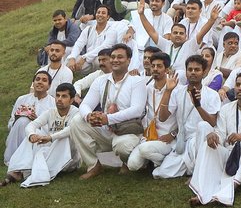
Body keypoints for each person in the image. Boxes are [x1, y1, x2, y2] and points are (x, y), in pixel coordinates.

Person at [189, 73, 241, 206]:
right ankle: (202, 192)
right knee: (209, 144)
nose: (240, 88)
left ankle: (232, 187)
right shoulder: (226, 109)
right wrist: (214, 136)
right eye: (238, 85)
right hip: (230, 154)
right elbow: (221, 133)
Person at [69, 44, 147, 179]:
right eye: (113, 57)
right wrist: (89, 116)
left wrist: (108, 119)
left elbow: (137, 110)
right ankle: (93, 165)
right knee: (77, 121)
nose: (115, 60)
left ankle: (126, 162)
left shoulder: (137, 81)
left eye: (120, 57)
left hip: (128, 129)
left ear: (129, 60)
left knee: (122, 146)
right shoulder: (101, 80)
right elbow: (86, 104)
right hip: (106, 128)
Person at [152, 54, 221, 178]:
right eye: (190, 70)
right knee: (162, 173)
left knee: (203, 126)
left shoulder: (212, 94)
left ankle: (198, 171)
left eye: (197, 70)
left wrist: (198, 105)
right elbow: (162, 118)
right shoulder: (178, 91)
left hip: (202, 141)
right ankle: (193, 167)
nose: (193, 73)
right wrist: (167, 91)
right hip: (182, 141)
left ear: (204, 72)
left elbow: (212, 123)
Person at [3, 83, 79, 188]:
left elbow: (70, 130)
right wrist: (32, 135)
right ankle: (17, 171)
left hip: (68, 158)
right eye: (57, 95)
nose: (59, 99)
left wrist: (50, 137)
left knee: (63, 138)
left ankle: (34, 172)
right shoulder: (50, 112)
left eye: (64, 96)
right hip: (51, 150)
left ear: (71, 100)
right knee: (35, 134)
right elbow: (32, 125)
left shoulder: (76, 113)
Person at [126, 52, 177, 172]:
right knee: (132, 165)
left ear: (167, 70)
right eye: (153, 66)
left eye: (159, 66)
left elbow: (180, 118)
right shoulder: (147, 88)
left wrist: (174, 134)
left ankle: (162, 162)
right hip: (149, 136)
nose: (155, 69)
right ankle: (153, 160)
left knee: (144, 149)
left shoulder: (176, 90)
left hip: (167, 139)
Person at [4, 71, 56, 166]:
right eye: (37, 79)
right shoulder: (21, 99)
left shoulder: (53, 103)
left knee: (27, 123)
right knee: (22, 121)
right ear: (33, 83)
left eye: (44, 80)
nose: (40, 82)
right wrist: (17, 119)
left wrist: (36, 121)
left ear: (49, 86)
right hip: (19, 134)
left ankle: (27, 160)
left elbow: (53, 129)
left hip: (41, 138)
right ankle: (14, 158)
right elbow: (10, 125)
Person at [66, 6, 119, 74]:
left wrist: (84, 57)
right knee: (69, 61)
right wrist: (72, 58)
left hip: (102, 59)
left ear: (108, 17)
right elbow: (79, 44)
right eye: (98, 12)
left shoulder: (112, 31)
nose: (100, 15)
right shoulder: (88, 29)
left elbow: (103, 47)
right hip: (88, 60)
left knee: (98, 60)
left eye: (103, 13)